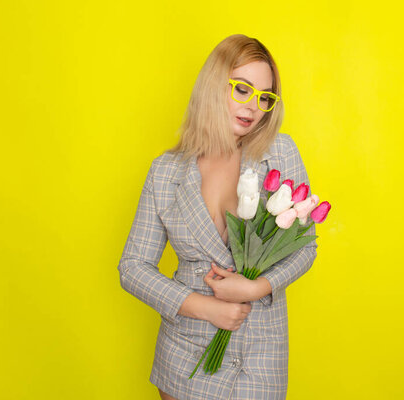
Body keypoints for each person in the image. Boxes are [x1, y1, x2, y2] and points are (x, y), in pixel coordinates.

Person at [117, 34, 317, 400]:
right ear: (213, 85)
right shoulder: (165, 172)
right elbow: (132, 267)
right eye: (242, 89)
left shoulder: (281, 153)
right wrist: (205, 308)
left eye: (264, 97)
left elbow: (305, 248)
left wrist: (257, 287)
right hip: (187, 353)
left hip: (261, 353)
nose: (254, 106)